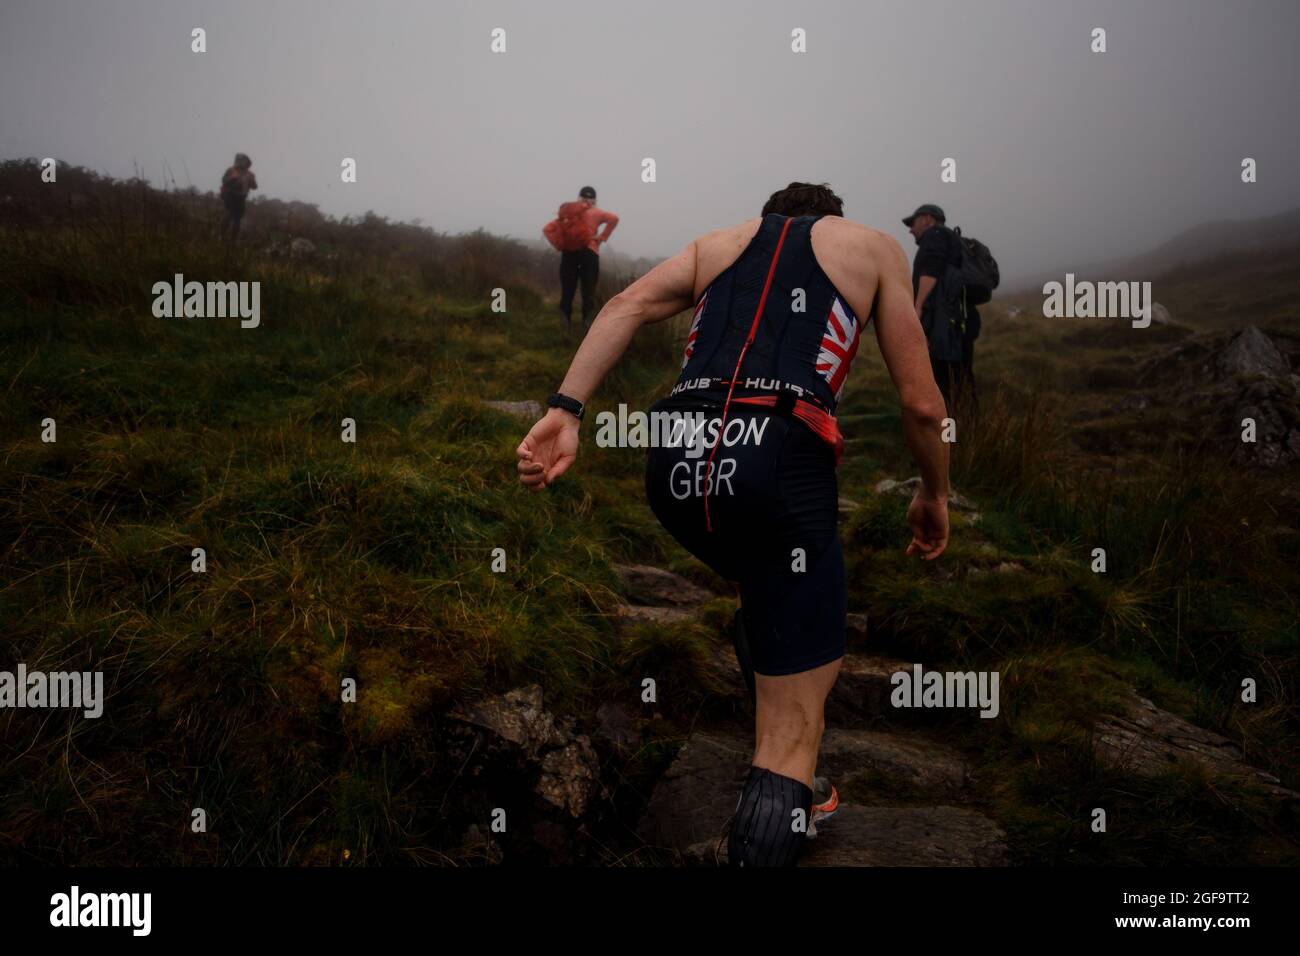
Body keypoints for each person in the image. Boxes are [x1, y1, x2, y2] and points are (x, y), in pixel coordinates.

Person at [516, 182, 951, 866]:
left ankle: (783, 742)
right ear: (830, 220)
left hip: (677, 462)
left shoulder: (718, 243)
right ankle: (787, 773)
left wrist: (566, 409)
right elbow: (923, 404)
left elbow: (625, 304)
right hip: (779, 458)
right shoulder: (872, 247)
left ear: (774, 211)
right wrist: (934, 492)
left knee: (761, 580)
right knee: (790, 730)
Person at [902, 203, 965, 410]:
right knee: (958, 374)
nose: (910, 229)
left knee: (941, 374)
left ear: (927, 219)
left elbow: (931, 268)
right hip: (956, 319)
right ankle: (964, 423)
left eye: (913, 222)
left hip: (942, 321)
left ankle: (943, 426)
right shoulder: (950, 238)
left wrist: (918, 306)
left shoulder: (935, 234)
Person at [557, 186, 618, 333]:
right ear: (594, 200)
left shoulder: (570, 211)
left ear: (579, 197)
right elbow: (614, 218)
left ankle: (565, 321)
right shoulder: (596, 212)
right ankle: (587, 323)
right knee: (588, 290)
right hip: (589, 253)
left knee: (568, 288)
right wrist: (601, 237)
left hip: (570, 252)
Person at [219, 153, 258, 242]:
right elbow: (223, 181)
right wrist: (231, 179)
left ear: (247, 162)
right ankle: (222, 235)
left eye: (242, 160)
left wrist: (252, 181)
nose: (240, 162)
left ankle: (233, 240)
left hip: (241, 198)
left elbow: (255, 187)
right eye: (239, 160)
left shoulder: (250, 174)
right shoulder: (231, 170)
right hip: (230, 195)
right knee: (229, 214)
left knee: (237, 219)